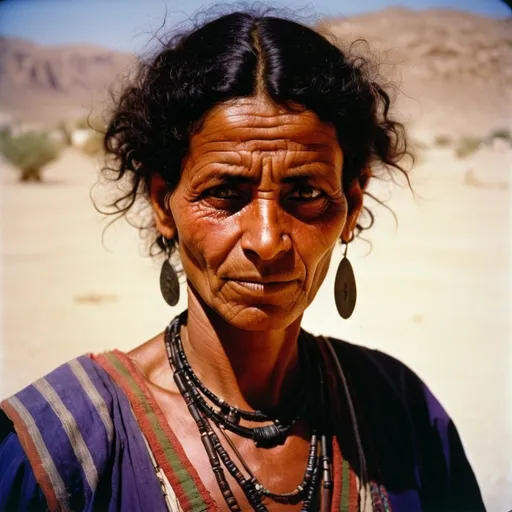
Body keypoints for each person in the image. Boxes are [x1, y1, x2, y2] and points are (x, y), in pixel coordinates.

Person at [0, 9, 485, 512]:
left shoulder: (400, 413)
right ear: (164, 204)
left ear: (352, 207)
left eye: (305, 192)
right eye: (225, 192)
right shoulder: (62, 451)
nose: (268, 239)